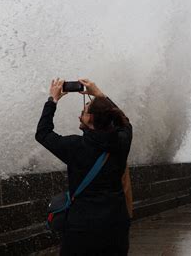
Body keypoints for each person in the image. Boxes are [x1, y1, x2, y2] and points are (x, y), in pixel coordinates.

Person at [35, 78, 132, 255]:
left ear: (92, 119)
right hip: (115, 227)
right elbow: (124, 121)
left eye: (84, 112)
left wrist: (53, 100)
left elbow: (43, 133)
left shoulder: (75, 147)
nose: (80, 116)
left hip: (82, 229)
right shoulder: (122, 141)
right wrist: (99, 94)